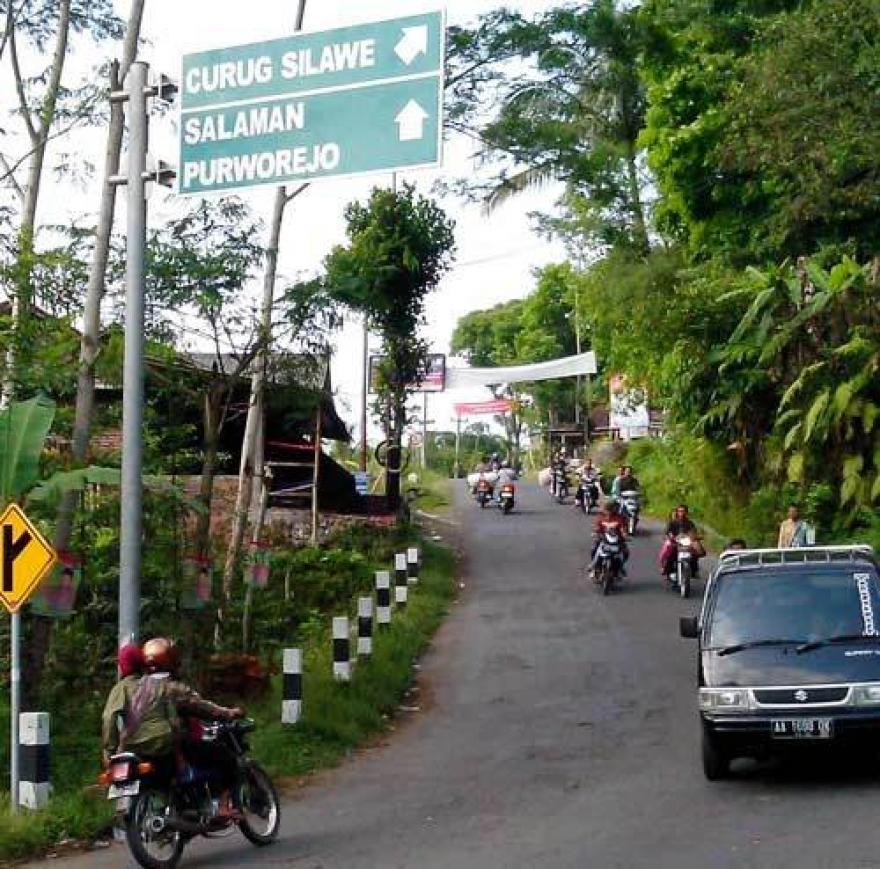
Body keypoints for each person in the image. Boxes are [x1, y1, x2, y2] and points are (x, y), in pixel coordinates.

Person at [101, 643, 146, 768]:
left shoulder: (121, 688)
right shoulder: (156, 685)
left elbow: (109, 718)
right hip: (161, 747)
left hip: (131, 746)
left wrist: (109, 752)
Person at [661, 504, 704, 577]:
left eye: (683, 511)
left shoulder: (690, 523)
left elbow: (693, 532)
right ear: (677, 512)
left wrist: (695, 537)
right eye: (680, 511)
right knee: (670, 552)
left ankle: (694, 571)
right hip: (675, 541)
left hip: (686, 542)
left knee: (694, 554)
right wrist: (671, 537)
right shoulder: (672, 522)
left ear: (686, 513)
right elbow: (667, 532)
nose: (682, 513)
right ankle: (666, 568)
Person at [590, 499, 629, 579]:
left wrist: (624, 534)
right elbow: (597, 526)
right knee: (594, 548)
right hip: (603, 538)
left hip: (617, 539)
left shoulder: (620, 518)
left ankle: (620, 567)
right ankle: (594, 566)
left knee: (626, 552)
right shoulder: (600, 517)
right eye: (607, 509)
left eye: (610, 509)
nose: (608, 512)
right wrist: (596, 532)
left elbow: (623, 528)